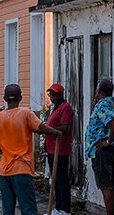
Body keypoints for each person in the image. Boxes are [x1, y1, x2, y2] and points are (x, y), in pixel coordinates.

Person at [0, 84, 61, 215]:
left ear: (4, 98)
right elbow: (42, 127)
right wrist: (56, 132)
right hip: (21, 170)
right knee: (28, 209)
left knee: (8, 210)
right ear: (20, 98)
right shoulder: (25, 113)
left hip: (4, 172)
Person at [86, 79, 114, 215]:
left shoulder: (103, 106)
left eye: (97, 90)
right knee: (109, 186)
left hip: (103, 151)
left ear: (100, 91)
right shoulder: (111, 103)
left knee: (106, 186)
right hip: (109, 151)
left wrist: (108, 141)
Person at [44, 83, 74, 215]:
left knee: (61, 179)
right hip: (51, 148)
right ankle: (58, 207)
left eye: (54, 95)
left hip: (60, 149)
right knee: (55, 178)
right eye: (50, 94)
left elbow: (65, 127)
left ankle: (65, 209)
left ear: (61, 95)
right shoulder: (55, 108)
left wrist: (49, 129)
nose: (52, 97)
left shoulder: (66, 108)